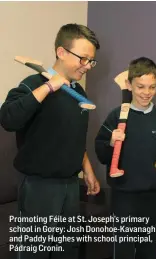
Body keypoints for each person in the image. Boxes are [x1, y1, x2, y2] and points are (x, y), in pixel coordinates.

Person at [0, 23, 101, 259]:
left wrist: (87, 170)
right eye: (83, 59)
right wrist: (48, 87)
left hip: (70, 186)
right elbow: (7, 119)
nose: (87, 66)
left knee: (67, 252)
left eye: (91, 61)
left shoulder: (79, 94)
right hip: (38, 187)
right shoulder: (33, 84)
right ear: (61, 52)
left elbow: (74, 137)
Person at [95, 57, 156, 259]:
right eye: (140, 86)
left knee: (149, 249)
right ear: (129, 85)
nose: (146, 93)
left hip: (152, 196)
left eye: (152, 87)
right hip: (124, 195)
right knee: (122, 249)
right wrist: (111, 143)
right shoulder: (116, 116)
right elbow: (101, 153)